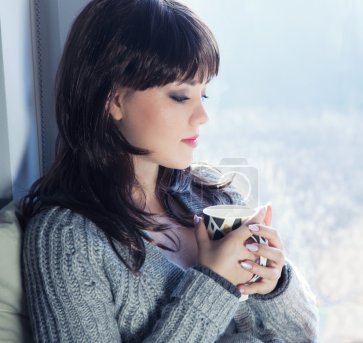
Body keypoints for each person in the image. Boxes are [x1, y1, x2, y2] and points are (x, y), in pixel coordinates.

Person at [19, 0, 318, 341]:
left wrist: (275, 286)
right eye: (180, 96)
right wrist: (213, 285)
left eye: (203, 95)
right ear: (113, 100)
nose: (202, 116)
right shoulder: (67, 240)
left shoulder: (217, 199)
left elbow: (303, 337)